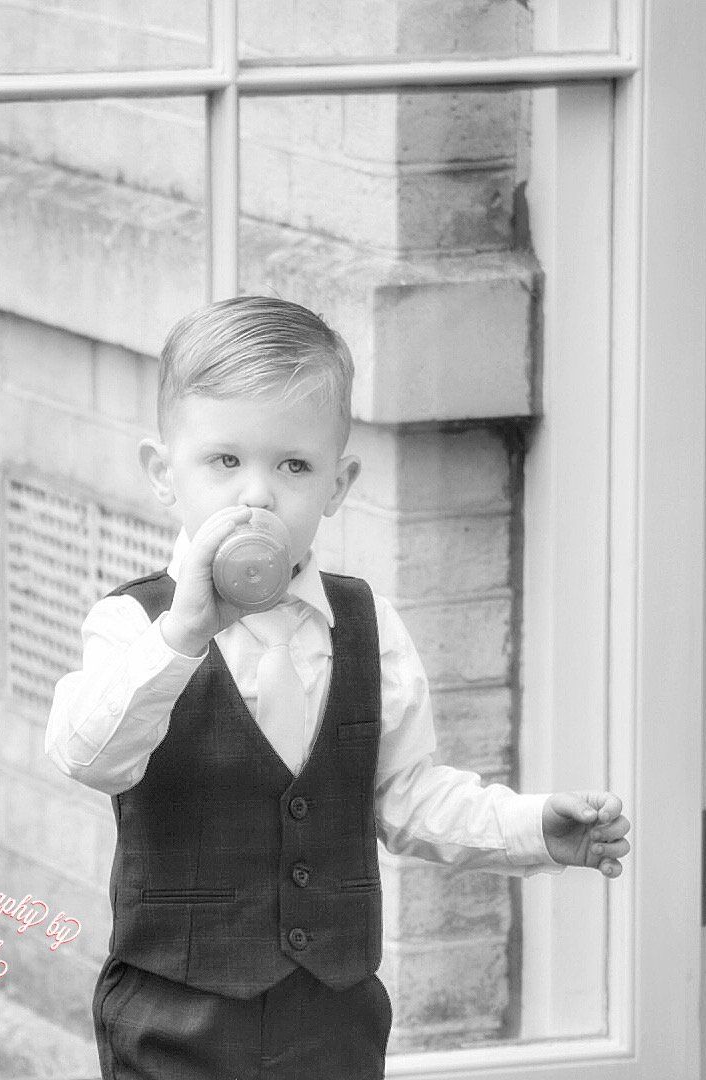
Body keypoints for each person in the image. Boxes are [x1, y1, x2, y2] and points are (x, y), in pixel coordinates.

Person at [45, 296, 631, 1080]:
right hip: (176, 1018)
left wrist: (534, 829)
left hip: (333, 1020)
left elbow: (406, 796)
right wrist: (181, 635)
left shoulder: (366, 625)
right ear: (163, 473)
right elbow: (90, 756)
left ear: (338, 484)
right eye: (225, 461)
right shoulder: (134, 626)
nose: (257, 495)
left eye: (294, 465)